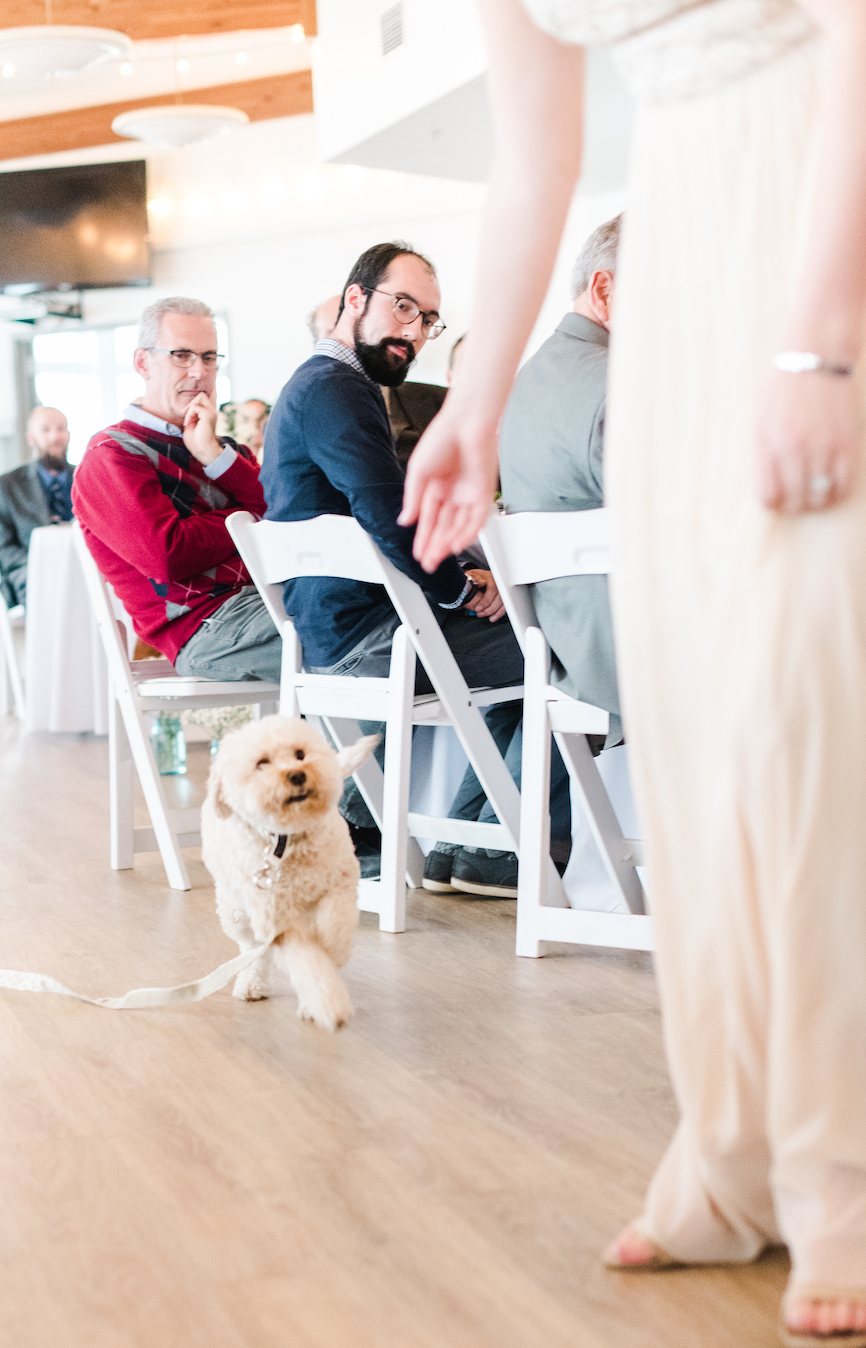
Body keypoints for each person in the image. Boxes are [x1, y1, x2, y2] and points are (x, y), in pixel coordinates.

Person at [399, 0, 866, 1342]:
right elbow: (534, 161)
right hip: (681, 274)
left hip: (821, 210)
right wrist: (472, 410)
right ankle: (734, 1156)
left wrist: (820, 343)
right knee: (695, 721)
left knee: (809, 708)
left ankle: (846, 1177)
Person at [263, 240, 573, 897]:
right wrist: (463, 588)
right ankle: (491, 849)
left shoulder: (325, 385)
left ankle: (466, 850)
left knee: (526, 650)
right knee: (566, 644)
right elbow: (387, 516)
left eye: (428, 319)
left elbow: (392, 509)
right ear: (355, 299)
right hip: (368, 640)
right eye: (402, 307)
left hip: (344, 630)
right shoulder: (335, 387)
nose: (414, 331)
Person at [72, 296, 281, 685]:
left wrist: (212, 454)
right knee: (353, 640)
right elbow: (168, 554)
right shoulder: (112, 454)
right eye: (182, 356)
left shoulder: (225, 450)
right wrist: (249, 518)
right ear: (142, 363)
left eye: (209, 357)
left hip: (270, 599)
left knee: (385, 619)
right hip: (202, 628)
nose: (199, 372)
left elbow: (281, 510)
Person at [498, 215, 622, 749]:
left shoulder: (533, 375)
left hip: (563, 645)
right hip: (628, 658)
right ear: (604, 288)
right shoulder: (618, 384)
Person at [309, 291, 447, 470]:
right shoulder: (303, 409)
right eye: (336, 333)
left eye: (357, 327)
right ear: (318, 344)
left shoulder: (441, 400)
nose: (352, 340)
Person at [0, 406, 73, 607]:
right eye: (46, 430)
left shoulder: (87, 477)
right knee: (48, 584)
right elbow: (1, 550)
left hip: (83, 564)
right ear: (31, 437)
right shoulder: (5, 485)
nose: (55, 436)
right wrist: (43, 564)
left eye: (61, 428)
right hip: (31, 570)